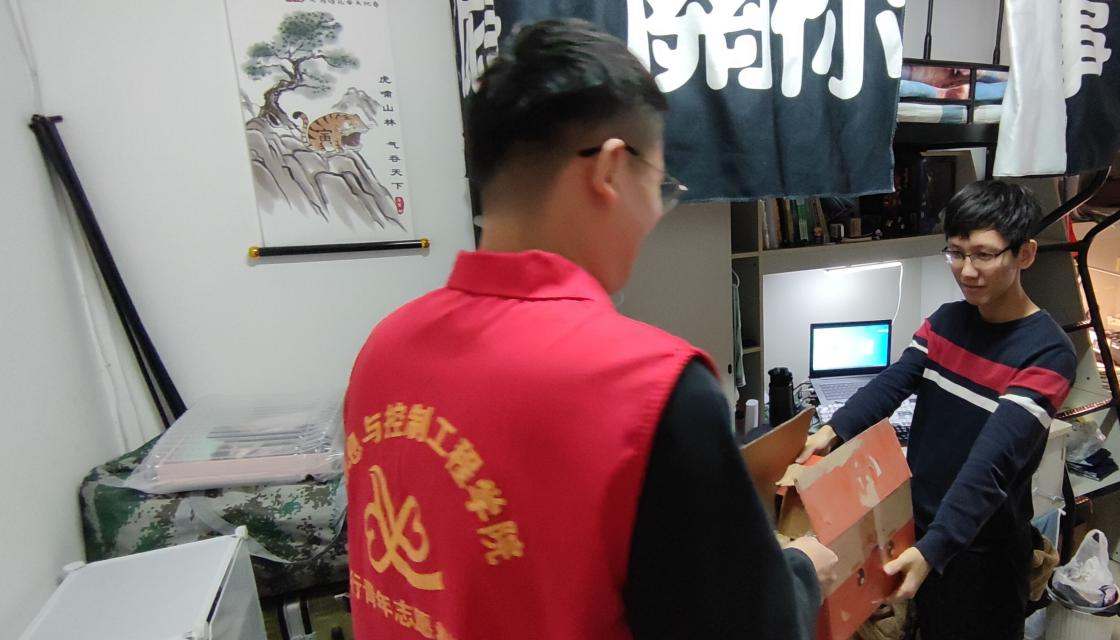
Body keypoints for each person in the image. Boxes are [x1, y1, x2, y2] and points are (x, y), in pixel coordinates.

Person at [342, 19, 836, 640]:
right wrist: (801, 574)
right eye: (659, 185)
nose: (655, 213)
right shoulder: (652, 388)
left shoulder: (383, 349)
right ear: (609, 170)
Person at [800, 180, 1077, 640]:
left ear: (1025, 254)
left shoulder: (1047, 353)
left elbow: (992, 462)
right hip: (920, 528)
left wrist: (936, 547)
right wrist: (832, 432)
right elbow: (895, 381)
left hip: (981, 545)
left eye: (984, 254)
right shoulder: (946, 321)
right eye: (956, 253)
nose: (967, 270)